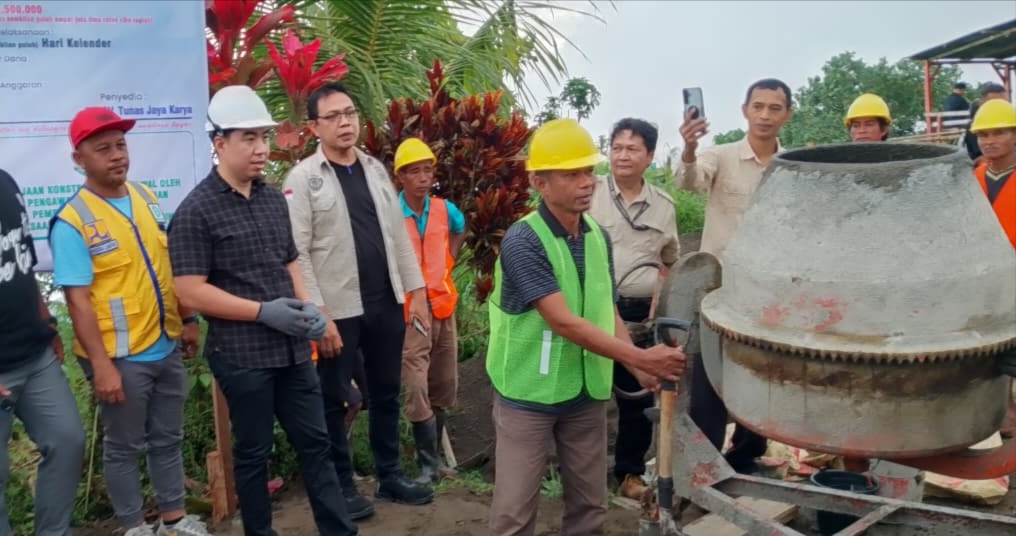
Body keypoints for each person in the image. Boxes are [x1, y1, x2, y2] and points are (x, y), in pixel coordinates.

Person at [168, 85, 358, 536]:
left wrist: (308, 309)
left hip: (292, 350)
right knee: (254, 454)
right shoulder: (196, 211)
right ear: (220, 143)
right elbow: (189, 291)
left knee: (316, 443)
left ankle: (339, 530)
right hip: (242, 355)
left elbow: (290, 260)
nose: (261, 149)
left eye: (264, 137)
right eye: (248, 138)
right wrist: (261, 312)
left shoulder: (273, 199)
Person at [486, 118, 686, 536]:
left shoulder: (596, 235)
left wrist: (637, 366)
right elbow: (563, 321)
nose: (587, 182)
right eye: (571, 174)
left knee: (590, 507)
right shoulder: (524, 241)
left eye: (588, 171)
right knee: (514, 514)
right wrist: (640, 357)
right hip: (528, 393)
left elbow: (604, 309)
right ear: (540, 183)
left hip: (584, 393)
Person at [50, 108, 207, 536]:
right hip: (119, 357)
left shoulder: (145, 197)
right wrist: (102, 367)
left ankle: (175, 519)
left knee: (168, 437)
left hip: (165, 342)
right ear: (79, 160)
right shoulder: (72, 221)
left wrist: (188, 318)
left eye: (120, 145)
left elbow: (166, 264)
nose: (117, 155)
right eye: (103, 149)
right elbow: (78, 302)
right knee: (123, 447)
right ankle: (134, 526)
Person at [282, 82, 434, 515]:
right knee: (334, 399)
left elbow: (397, 237)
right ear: (314, 127)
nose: (345, 123)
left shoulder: (374, 170)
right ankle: (342, 487)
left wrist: (416, 292)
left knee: (386, 392)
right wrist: (318, 313)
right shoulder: (303, 179)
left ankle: (390, 476)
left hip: (385, 300)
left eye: (349, 113)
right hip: (337, 309)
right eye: (333, 116)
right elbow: (297, 251)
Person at [675, 78, 793, 474]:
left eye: (774, 108)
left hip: (768, 290)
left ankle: (747, 454)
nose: (765, 115)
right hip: (719, 288)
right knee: (710, 374)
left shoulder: (792, 167)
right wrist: (689, 147)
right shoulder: (721, 156)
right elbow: (689, 181)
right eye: (758, 106)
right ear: (745, 110)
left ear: (787, 115)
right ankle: (705, 462)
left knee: (761, 370)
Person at [586, 118, 679, 500]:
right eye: (617, 147)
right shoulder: (589, 193)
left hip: (640, 316)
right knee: (587, 394)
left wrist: (661, 295)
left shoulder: (663, 207)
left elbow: (671, 260)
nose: (622, 155)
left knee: (638, 397)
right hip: (591, 310)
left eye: (632, 149)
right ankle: (582, 475)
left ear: (650, 156)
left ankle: (629, 475)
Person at [0, 169, 85, 536]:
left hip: (33, 353)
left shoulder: (5, 181)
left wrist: (46, 319)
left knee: (68, 440)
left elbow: (21, 260)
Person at [391, 138, 466, 483]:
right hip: (411, 314)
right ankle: (426, 465)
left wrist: (449, 260)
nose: (423, 178)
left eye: (427, 171)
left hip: (443, 306)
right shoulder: (391, 214)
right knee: (416, 384)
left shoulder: (443, 209)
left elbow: (460, 229)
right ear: (401, 177)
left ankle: (435, 460)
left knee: (444, 382)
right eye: (415, 172)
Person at [965, 82, 1009, 163]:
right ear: (981, 104)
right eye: (995, 104)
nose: (1001, 107)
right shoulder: (975, 126)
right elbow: (981, 159)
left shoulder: (1009, 122)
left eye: (1005, 103)